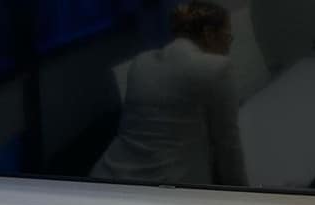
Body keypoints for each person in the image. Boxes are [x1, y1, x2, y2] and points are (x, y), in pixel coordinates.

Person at [91, 2, 247, 187]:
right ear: (209, 33)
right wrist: (244, 195)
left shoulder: (141, 62)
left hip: (103, 179)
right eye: (228, 36)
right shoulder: (217, 68)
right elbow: (228, 147)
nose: (229, 45)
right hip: (160, 191)